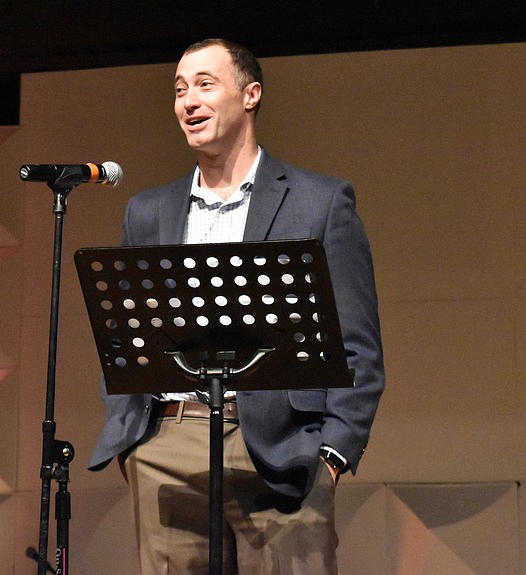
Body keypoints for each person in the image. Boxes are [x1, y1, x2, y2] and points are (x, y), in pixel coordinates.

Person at [88, 38, 385, 574]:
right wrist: (137, 443)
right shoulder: (148, 212)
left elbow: (357, 343)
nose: (188, 101)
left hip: (283, 453)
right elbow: (126, 341)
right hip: (169, 449)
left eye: (205, 84)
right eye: (179, 89)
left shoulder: (321, 202)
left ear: (251, 95)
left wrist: (333, 454)